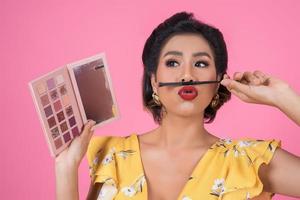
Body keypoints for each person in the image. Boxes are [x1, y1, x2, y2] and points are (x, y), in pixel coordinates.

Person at [55, 11, 300, 200]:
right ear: (154, 80)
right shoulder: (110, 155)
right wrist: (66, 171)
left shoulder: (250, 160)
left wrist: (282, 97)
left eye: (201, 64)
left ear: (218, 82)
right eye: (172, 63)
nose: (187, 75)